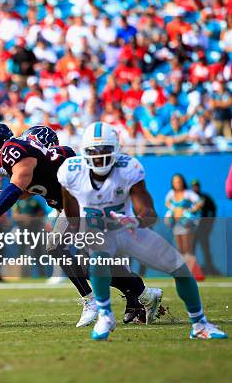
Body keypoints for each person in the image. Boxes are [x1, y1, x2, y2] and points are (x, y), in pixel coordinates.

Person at [0, 123, 159, 327]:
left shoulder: (17, 151)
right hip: (71, 208)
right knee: (85, 263)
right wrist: (1, 196)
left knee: (74, 256)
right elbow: (32, 188)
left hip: (82, 207)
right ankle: (141, 294)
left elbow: (21, 184)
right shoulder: (37, 159)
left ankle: (110, 298)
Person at [58, 121, 226, 340]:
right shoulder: (70, 172)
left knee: (180, 268)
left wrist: (137, 219)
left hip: (128, 230)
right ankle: (105, 316)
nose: (99, 157)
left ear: (115, 150)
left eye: (104, 151)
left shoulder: (128, 167)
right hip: (100, 232)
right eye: (93, 151)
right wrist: (80, 230)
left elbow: (148, 211)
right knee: (97, 258)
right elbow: (71, 213)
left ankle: (200, 324)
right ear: (84, 152)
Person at [165, 174, 203, 279]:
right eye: (175, 181)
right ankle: (184, 273)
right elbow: (167, 202)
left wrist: (188, 211)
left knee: (187, 249)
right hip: (176, 225)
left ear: (183, 182)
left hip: (186, 224)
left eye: (179, 181)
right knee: (180, 250)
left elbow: (200, 202)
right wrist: (174, 209)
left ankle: (193, 273)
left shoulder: (188, 193)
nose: (177, 183)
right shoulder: (171, 193)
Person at [191, 179, 218, 275]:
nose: (195, 188)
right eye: (193, 186)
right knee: (190, 250)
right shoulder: (189, 199)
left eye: (196, 186)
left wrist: (209, 224)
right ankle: (192, 270)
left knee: (205, 249)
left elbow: (213, 210)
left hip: (203, 229)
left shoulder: (205, 198)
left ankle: (209, 269)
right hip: (191, 229)